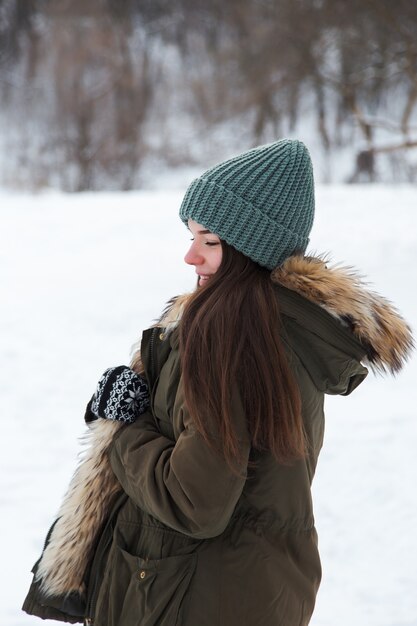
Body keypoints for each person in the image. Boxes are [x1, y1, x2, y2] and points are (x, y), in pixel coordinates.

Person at [23, 140, 413, 626]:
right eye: (191, 238)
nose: (191, 257)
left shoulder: (226, 339)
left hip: (184, 599)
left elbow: (194, 501)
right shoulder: (286, 327)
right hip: (256, 591)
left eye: (210, 241)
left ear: (252, 248)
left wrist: (123, 426)